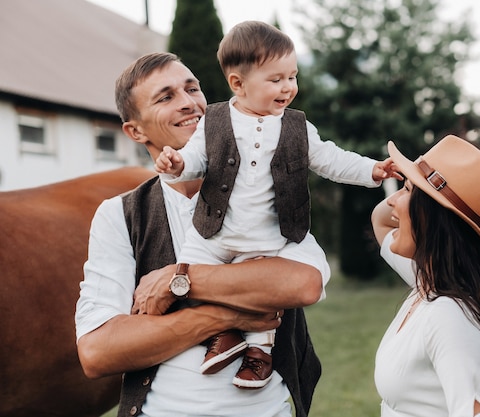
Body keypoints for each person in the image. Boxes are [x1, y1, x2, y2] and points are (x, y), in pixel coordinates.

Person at [75, 52, 331, 417]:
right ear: (136, 131)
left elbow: (302, 284)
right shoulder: (119, 215)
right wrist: (224, 317)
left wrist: (174, 280)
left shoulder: (263, 188)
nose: (189, 103)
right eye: (166, 97)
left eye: (192, 88)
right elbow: (98, 351)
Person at [155, 20, 401, 389]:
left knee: (267, 288)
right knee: (192, 273)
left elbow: (331, 159)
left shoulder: (298, 127)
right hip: (214, 232)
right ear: (238, 83)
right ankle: (224, 333)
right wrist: (176, 165)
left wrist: (372, 169)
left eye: (292, 76)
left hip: (271, 236)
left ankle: (259, 351)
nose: (288, 87)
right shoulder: (215, 121)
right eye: (276, 79)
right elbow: (195, 159)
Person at [370, 136, 480, 417]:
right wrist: (415, 186)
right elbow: (380, 219)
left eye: (405, 190)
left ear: (433, 216)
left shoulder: (451, 315)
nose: (392, 200)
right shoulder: (431, 280)